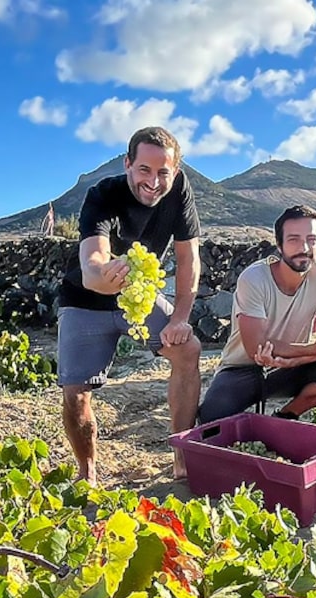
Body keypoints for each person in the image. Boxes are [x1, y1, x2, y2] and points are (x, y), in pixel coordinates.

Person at [57, 126, 202, 486]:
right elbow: (91, 265)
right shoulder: (103, 194)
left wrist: (180, 319)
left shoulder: (179, 191)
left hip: (136, 295)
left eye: (163, 172)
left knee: (188, 350)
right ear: (127, 164)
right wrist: (104, 271)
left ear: (176, 172)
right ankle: (87, 473)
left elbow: (189, 261)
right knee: (75, 393)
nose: (153, 181)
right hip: (84, 298)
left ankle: (182, 457)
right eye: (144, 170)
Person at [197, 204, 316, 424]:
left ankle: (285, 416)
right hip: (244, 368)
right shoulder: (254, 278)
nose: (304, 247)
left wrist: (296, 360)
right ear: (279, 246)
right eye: (293, 239)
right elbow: (257, 349)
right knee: (211, 419)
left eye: (312, 239)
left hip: (295, 366)